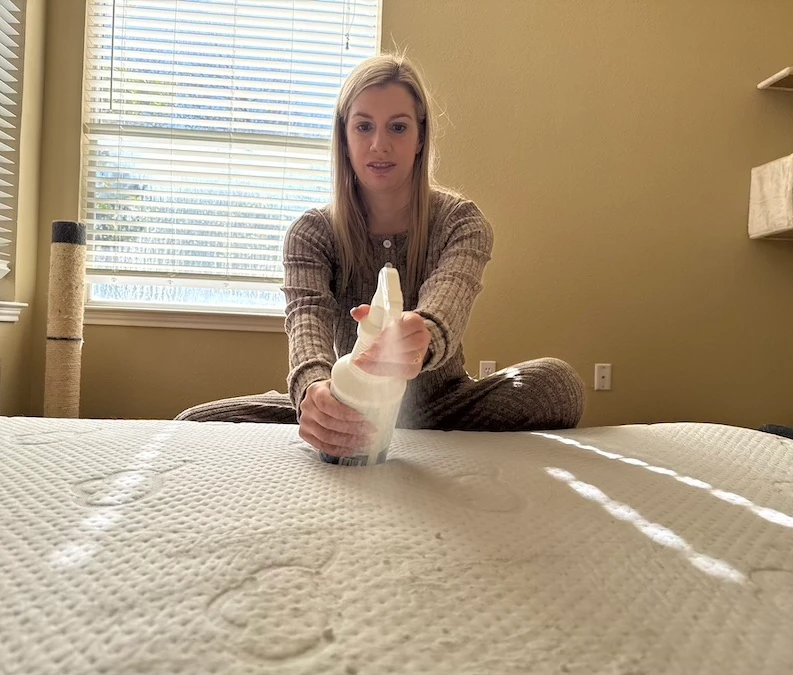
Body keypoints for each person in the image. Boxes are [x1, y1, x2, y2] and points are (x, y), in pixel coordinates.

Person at [177, 53, 585, 458]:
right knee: (194, 423)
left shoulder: (461, 223)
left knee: (557, 385)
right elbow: (307, 319)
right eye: (364, 126)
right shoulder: (313, 233)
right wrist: (315, 394)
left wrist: (421, 335)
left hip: (443, 406)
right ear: (345, 136)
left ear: (420, 136)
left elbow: (450, 296)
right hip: (349, 399)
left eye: (398, 127)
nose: (379, 145)